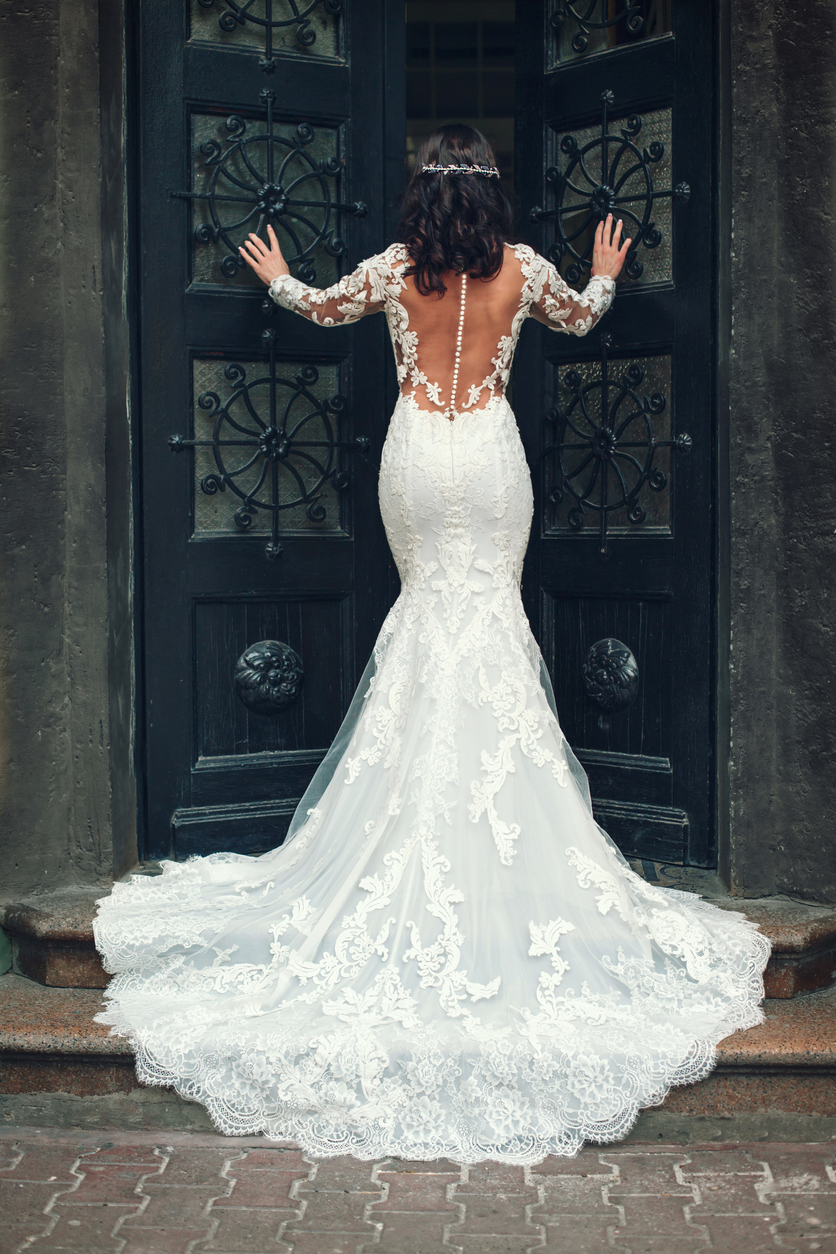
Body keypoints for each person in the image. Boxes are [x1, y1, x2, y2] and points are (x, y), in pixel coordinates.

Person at [93, 125, 770, 1165]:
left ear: (419, 190)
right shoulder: (526, 271)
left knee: (425, 619)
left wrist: (276, 278)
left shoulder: (391, 271)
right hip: (488, 457)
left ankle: (407, 813)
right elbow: (586, 320)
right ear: (492, 191)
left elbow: (321, 308)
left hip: (418, 455)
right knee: (485, 617)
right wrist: (601, 272)